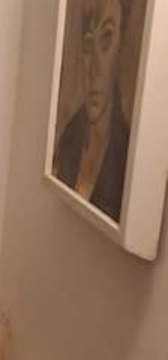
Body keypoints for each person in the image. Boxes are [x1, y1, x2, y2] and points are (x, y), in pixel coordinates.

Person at [53, 0, 131, 222]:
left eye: (106, 39)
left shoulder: (126, 158)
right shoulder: (68, 140)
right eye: (89, 45)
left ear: (120, 50)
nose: (94, 68)